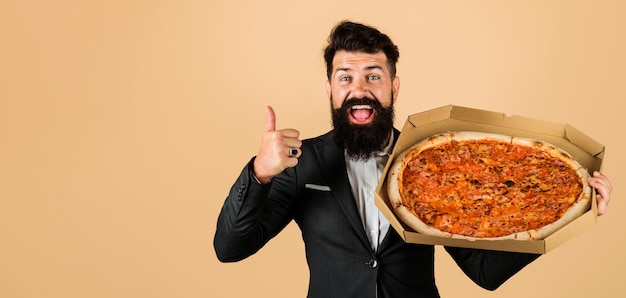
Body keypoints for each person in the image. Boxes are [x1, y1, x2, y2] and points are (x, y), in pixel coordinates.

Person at [214, 21, 613, 298]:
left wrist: (565, 217)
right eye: (345, 77)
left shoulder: (435, 161)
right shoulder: (302, 163)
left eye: (373, 75)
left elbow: (485, 274)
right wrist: (259, 173)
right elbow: (230, 248)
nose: (359, 89)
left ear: (394, 86)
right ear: (330, 89)